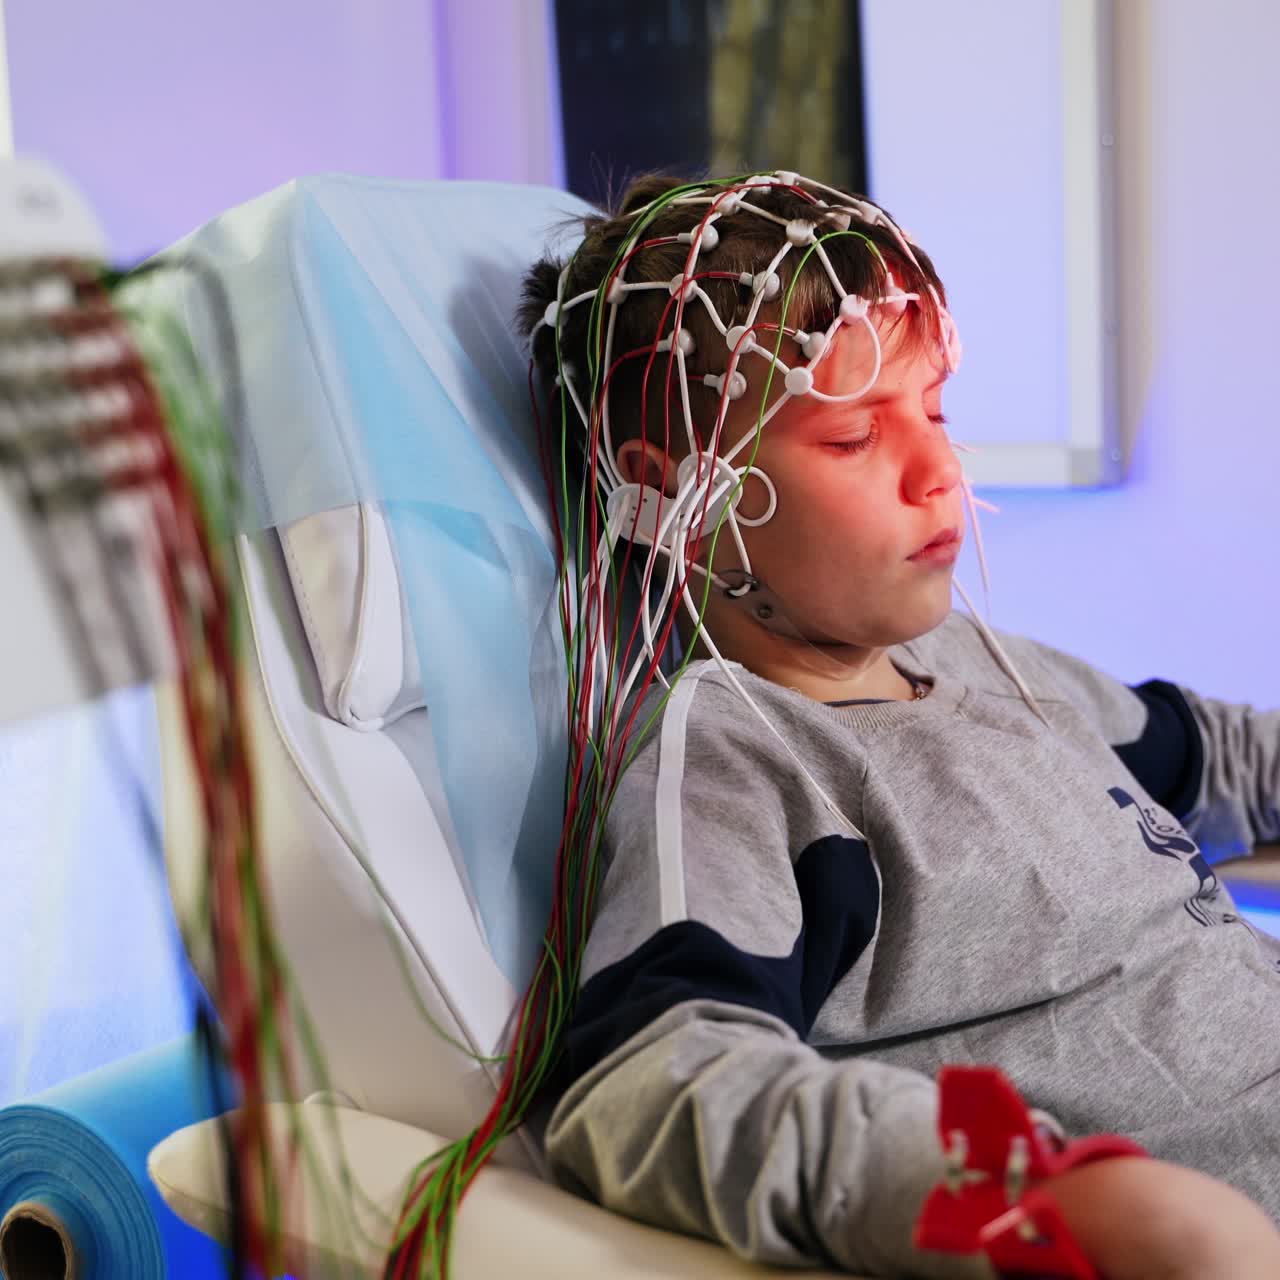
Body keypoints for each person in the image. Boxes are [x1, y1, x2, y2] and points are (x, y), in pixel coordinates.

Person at [517, 172, 1280, 1278]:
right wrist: (1022, 1191)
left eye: (932, 410)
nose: (938, 473)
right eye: (850, 438)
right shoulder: (745, 760)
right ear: (676, 493)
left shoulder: (986, 666)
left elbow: (1227, 760)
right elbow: (651, 1080)